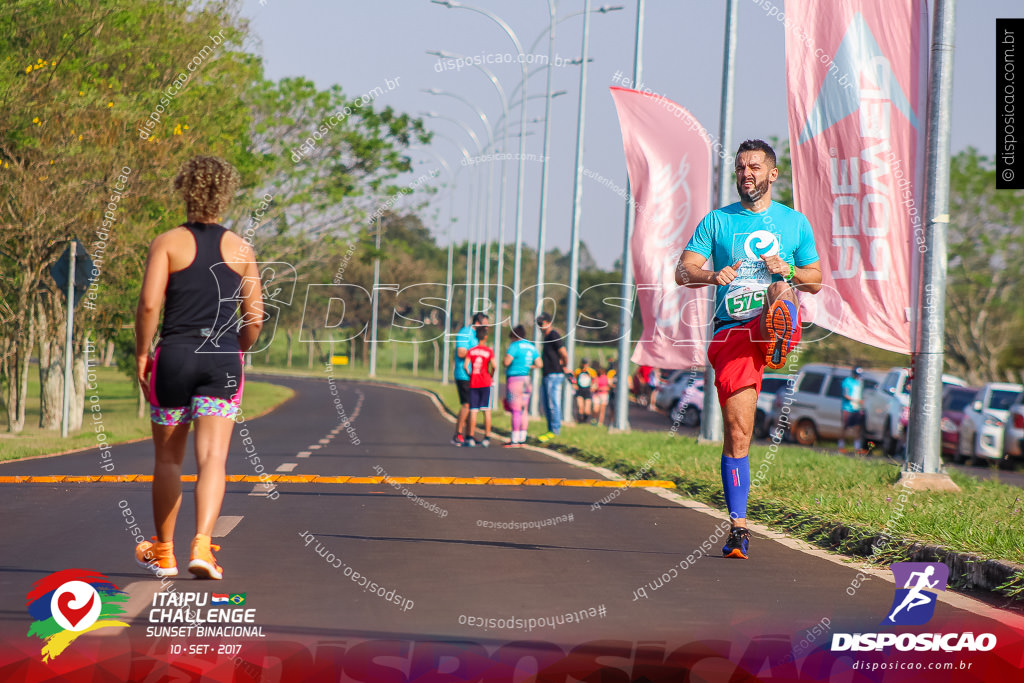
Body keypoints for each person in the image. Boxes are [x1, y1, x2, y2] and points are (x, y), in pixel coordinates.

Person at [675, 139, 822, 559]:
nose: (746, 174)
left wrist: (789, 268)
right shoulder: (717, 222)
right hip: (733, 331)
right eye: (741, 168)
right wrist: (709, 275)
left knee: (780, 288)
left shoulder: (794, 223)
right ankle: (739, 527)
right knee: (739, 433)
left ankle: (775, 330)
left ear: (773, 174)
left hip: (776, 315)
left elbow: (814, 278)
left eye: (754, 167)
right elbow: (681, 271)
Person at [134, 155, 264, 580]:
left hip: (174, 356)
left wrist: (142, 353)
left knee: (168, 460)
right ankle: (203, 548)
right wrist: (235, 351)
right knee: (213, 459)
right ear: (226, 195)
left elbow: (150, 304)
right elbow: (256, 318)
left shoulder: (167, 242)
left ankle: (165, 552)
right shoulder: (242, 249)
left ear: (184, 190)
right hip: (221, 360)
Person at [451, 312, 490, 446]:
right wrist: (476, 352)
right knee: (467, 404)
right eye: (485, 324)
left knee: (473, 406)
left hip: (476, 376)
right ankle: (458, 434)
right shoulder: (465, 333)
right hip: (463, 374)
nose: (487, 327)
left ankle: (470, 435)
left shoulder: (478, 335)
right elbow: (461, 352)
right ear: (478, 323)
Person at [503, 324, 541, 446]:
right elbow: (539, 364)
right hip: (526, 380)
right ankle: (522, 437)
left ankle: (514, 438)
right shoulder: (531, 346)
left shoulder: (514, 346)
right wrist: (529, 366)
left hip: (515, 380)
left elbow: (506, 362)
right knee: (524, 410)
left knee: (515, 409)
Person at [536, 312, 568, 442]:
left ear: (549, 323)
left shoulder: (553, 335)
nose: (540, 326)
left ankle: (555, 430)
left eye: (541, 323)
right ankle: (550, 430)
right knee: (546, 403)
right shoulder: (546, 336)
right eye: (538, 324)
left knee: (552, 403)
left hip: (554, 374)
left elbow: (563, 353)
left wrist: (564, 365)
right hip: (547, 374)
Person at [464, 325, 496, 447]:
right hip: (486, 382)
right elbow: (494, 366)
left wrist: (470, 375)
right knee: (486, 410)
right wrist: (490, 375)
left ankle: (470, 437)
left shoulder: (471, 351)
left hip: (474, 382)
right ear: (486, 337)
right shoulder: (489, 351)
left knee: (474, 411)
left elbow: (465, 366)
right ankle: (487, 437)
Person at [839, 367, 865, 453]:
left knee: (857, 427)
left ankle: (857, 447)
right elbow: (845, 395)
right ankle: (841, 446)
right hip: (847, 408)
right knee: (845, 427)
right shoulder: (847, 381)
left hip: (856, 408)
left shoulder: (859, 383)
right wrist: (855, 400)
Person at [574, 358, 596, 423]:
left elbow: (595, 380)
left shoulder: (591, 371)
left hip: (587, 391)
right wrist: (574, 385)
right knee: (580, 407)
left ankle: (585, 421)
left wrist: (593, 386)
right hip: (580, 390)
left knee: (587, 410)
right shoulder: (578, 371)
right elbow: (574, 378)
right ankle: (580, 421)